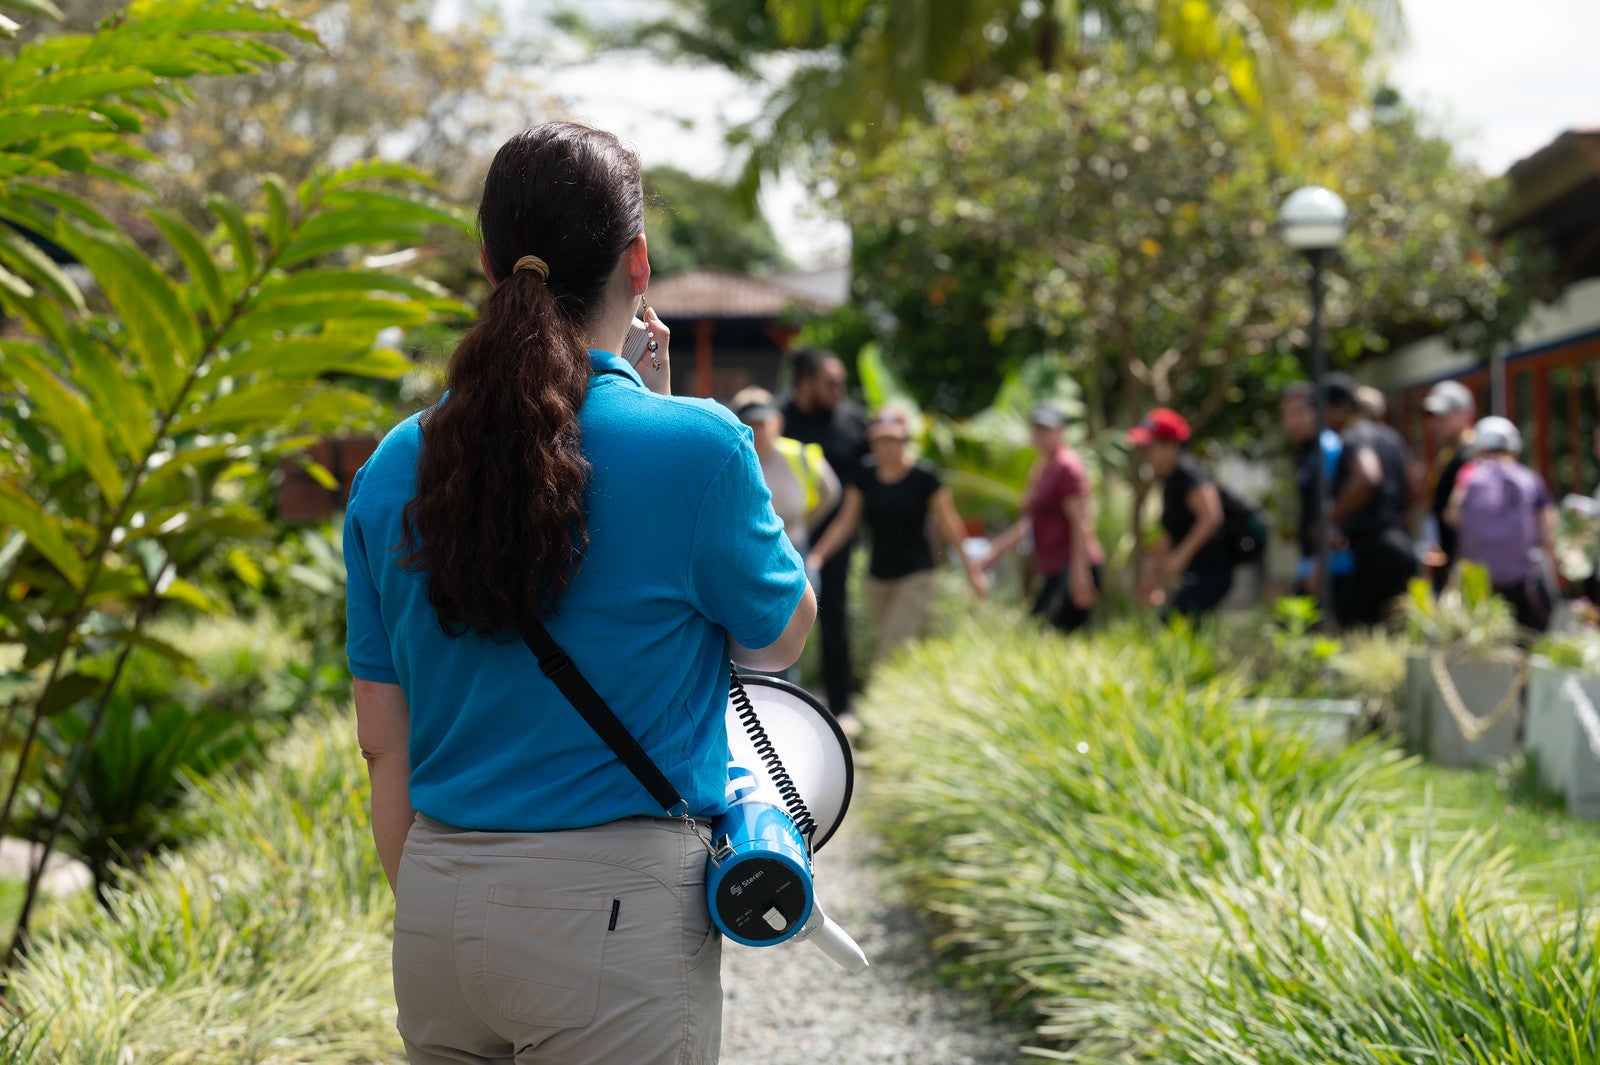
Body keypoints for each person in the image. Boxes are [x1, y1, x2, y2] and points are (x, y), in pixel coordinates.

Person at [343, 122, 816, 1065]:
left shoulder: (397, 463)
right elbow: (780, 637)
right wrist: (674, 415)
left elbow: (380, 737)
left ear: (486, 262)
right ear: (637, 263)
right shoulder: (700, 448)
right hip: (612, 909)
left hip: (437, 901)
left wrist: (443, 898)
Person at [807, 408, 987, 662]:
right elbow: (845, 522)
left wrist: (973, 570)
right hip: (878, 578)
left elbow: (950, 524)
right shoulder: (864, 475)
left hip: (916, 575)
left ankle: (876, 701)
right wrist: (817, 556)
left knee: (890, 651)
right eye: (881, 441)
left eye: (892, 440)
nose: (886, 447)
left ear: (904, 440)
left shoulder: (924, 477)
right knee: (898, 649)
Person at [780, 349, 869, 719]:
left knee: (835, 617)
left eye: (842, 383)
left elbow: (858, 491)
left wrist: (824, 546)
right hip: (781, 536)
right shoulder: (777, 419)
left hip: (836, 536)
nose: (839, 390)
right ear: (804, 384)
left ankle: (841, 708)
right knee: (780, 619)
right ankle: (779, 706)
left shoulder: (853, 421)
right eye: (830, 383)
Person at [980, 402, 1104, 633]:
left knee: (1048, 631)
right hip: (1055, 568)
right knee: (1048, 632)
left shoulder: (1067, 467)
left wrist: (1079, 574)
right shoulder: (1042, 467)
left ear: (1062, 432)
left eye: (1047, 429)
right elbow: (1029, 523)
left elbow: (1080, 522)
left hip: (1073, 565)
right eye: (1037, 429)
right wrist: (994, 552)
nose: (1041, 435)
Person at [1445, 416, 1558, 634]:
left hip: (1479, 582)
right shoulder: (1529, 478)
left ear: (1479, 448)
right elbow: (1548, 527)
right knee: (1527, 642)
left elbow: (1452, 515)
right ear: (1514, 448)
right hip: (1525, 583)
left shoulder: (1468, 475)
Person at [1322, 373, 1416, 627]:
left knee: (1357, 627)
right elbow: (1414, 485)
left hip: (1373, 551)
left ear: (1340, 409)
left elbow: (1367, 477)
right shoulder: (1392, 437)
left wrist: (1332, 516)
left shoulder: (1355, 437)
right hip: (1399, 543)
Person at [1128, 408, 1234, 620]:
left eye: (1149, 447)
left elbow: (1211, 516)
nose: (1145, 454)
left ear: (1171, 446)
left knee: (1170, 623)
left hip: (1212, 572)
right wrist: (1152, 575)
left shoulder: (1187, 471)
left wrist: (1180, 557)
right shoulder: (1170, 478)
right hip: (1197, 573)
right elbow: (1172, 531)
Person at [729, 386, 840, 561]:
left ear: (777, 421)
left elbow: (831, 492)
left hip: (794, 549)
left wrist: (805, 524)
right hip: (746, 554)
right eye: (750, 423)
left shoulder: (800, 454)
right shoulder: (730, 461)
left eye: (762, 423)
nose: (757, 431)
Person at [1279, 383, 1353, 596]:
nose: (1291, 422)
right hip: (1314, 561)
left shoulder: (1327, 448)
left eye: (1299, 412)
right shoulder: (1307, 452)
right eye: (1286, 415)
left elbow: (1333, 505)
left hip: (1333, 564)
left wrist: (1319, 563)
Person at [1418, 380, 1476, 591]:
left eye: (1444, 416)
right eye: (1433, 417)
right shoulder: (1448, 452)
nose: (1435, 424)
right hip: (1446, 558)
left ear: (1466, 415)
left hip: (1465, 563)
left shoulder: (1473, 453)